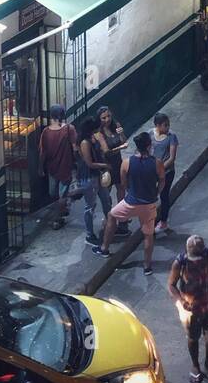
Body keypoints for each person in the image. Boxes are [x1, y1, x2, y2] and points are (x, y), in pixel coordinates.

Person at [93, 131, 166, 273]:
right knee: (148, 235)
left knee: (112, 216)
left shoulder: (126, 163)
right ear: (149, 145)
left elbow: (123, 182)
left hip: (131, 202)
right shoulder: (157, 163)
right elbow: (162, 180)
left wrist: (130, 191)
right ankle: (147, 266)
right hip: (149, 204)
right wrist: (156, 192)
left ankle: (104, 249)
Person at [168, 234, 208, 383]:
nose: (198, 261)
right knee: (193, 338)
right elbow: (171, 285)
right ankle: (195, 365)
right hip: (192, 310)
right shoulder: (180, 263)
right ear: (188, 251)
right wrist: (181, 301)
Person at [38, 104, 78, 228]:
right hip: (66, 167)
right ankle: (58, 218)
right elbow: (75, 148)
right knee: (63, 194)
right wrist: (77, 164)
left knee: (53, 194)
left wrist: (40, 167)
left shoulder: (45, 132)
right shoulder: (69, 129)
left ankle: (59, 213)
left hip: (51, 168)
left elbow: (42, 152)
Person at [75, 115, 113, 245]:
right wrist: (105, 166)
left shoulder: (93, 138)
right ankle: (89, 235)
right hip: (89, 177)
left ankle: (110, 226)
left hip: (97, 174)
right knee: (90, 206)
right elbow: (89, 163)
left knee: (106, 200)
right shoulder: (85, 142)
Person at [93, 107, 128, 204]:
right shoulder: (99, 133)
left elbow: (124, 140)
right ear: (99, 119)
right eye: (104, 118)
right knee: (106, 190)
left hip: (118, 162)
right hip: (107, 165)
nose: (107, 119)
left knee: (121, 187)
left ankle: (120, 212)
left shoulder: (116, 126)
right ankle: (108, 215)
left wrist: (121, 134)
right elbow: (106, 151)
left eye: (109, 116)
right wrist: (120, 148)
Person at [151, 112, 178, 235]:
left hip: (167, 172)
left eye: (168, 125)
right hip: (152, 171)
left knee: (164, 196)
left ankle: (163, 222)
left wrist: (160, 169)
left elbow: (171, 158)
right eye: (165, 125)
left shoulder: (172, 137)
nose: (167, 128)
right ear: (157, 125)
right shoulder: (150, 134)